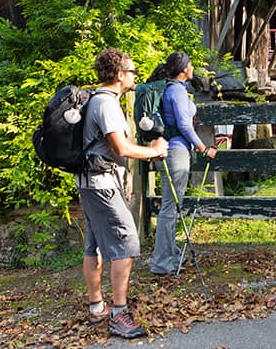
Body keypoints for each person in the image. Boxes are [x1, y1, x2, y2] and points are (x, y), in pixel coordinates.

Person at [78, 48, 168, 339]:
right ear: (119, 75)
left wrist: (143, 155)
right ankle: (119, 313)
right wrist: (153, 151)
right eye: (131, 71)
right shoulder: (106, 105)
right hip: (102, 187)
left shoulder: (96, 99)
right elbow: (121, 148)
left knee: (94, 244)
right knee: (126, 242)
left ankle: (96, 309)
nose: (134, 76)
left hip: (90, 183)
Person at [150, 51, 217, 276]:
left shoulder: (174, 89)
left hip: (171, 151)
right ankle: (162, 263)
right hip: (176, 152)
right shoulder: (176, 91)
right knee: (171, 207)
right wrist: (203, 148)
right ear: (182, 70)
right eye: (190, 64)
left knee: (171, 206)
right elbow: (184, 125)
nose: (192, 67)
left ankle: (171, 254)